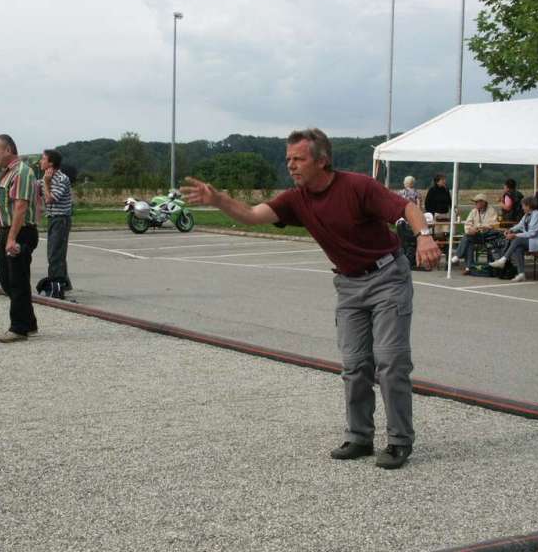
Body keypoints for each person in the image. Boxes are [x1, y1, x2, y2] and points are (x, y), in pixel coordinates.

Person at [182, 128, 441, 470]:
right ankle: (360, 437)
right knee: (354, 364)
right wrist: (219, 200)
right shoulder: (295, 199)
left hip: (387, 278)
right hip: (348, 284)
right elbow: (252, 216)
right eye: (288, 159)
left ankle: (398, 442)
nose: (291, 165)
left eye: (298, 159)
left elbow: (407, 208)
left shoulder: (357, 186)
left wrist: (424, 237)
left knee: (390, 362)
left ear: (322, 160)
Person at [0, 134, 39, 343]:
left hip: (19, 232)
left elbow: (20, 207)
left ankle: (18, 328)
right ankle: (28, 322)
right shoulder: (8, 173)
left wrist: (11, 238)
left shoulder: (22, 172)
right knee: (7, 279)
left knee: (16, 280)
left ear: (8, 150)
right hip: (9, 231)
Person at [489, 196, 538, 282]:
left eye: (523, 206)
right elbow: (520, 225)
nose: (522, 208)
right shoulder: (527, 215)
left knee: (517, 239)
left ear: (528, 206)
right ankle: (521, 274)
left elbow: (532, 233)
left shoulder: (537, 215)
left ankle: (503, 260)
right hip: (532, 241)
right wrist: (510, 229)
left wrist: (515, 235)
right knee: (518, 248)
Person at [38, 148, 73, 296]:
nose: (40, 161)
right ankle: (64, 283)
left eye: (43, 159)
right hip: (52, 218)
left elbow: (50, 199)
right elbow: (35, 188)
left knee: (55, 254)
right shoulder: (46, 177)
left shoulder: (61, 179)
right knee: (57, 252)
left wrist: (46, 183)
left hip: (61, 219)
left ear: (51, 163)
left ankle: (56, 286)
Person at [450, 193, 499, 275]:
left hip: (488, 236)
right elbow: (467, 224)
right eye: (475, 202)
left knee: (467, 238)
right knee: (468, 240)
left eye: (477, 202)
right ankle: (469, 268)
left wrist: (479, 227)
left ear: (483, 202)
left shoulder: (491, 211)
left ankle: (459, 256)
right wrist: (470, 229)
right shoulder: (473, 211)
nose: (475, 204)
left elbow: (493, 224)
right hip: (476, 235)